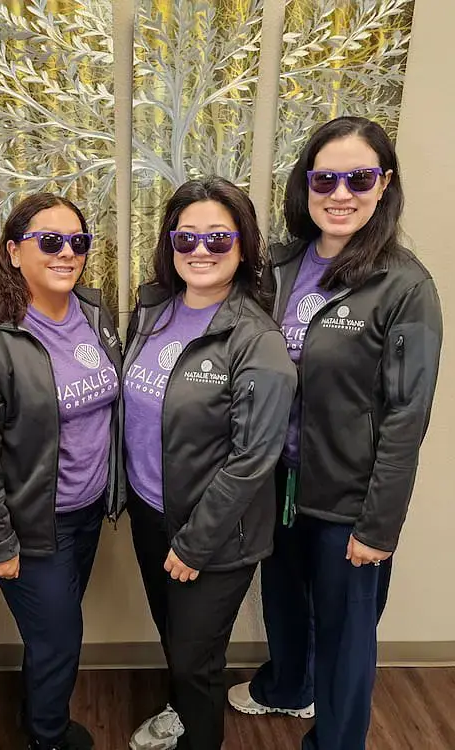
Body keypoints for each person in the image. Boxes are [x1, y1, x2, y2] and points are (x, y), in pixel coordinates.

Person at [227, 116, 444, 750]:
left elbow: (409, 413)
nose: (341, 192)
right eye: (326, 177)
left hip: (349, 498)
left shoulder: (404, 285)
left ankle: (336, 741)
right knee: (285, 602)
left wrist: (378, 527)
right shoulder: (280, 266)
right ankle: (288, 687)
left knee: (347, 633)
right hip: (279, 482)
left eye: (359, 177)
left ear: (384, 185)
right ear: (306, 184)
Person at [125, 177, 297, 750]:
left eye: (218, 240)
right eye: (186, 238)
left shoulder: (257, 340)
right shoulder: (152, 311)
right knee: (176, 643)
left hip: (215, 535)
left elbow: (253, 458)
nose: (200, 251)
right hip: (152, 514)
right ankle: (181, 713)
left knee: (197, 660)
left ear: (244, 247)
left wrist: (195, 542)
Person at [0, 193, 123, 750]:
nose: (67, 252)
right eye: (50, 241)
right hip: (32, 523)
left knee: (56, 635)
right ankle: (47, 736)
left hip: (87, 511)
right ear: (14, 251)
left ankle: (39, 719)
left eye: (78, 242)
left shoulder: (94, 313)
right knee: (58, 642)